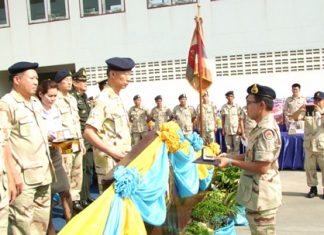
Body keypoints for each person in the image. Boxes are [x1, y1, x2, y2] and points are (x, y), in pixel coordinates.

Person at [217, 84, 282, 235]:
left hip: (263, 198)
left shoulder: (267, 131)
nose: (246, 108)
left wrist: (231, 162)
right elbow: (251, 156)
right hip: (256, 196)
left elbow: (262, 167)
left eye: (249, 103)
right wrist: (229, 156)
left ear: (261, 105)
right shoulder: (259, 127)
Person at [0, 61, 53, 234]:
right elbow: (3, 142)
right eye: (31, 78)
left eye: (37, 78)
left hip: (43, 174)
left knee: (41, 224)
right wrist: (12, 175)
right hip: (23, 179)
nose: (36, 82)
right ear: (17, 80)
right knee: (21, 227)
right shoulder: (7, 104)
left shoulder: (36, 103)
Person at [83, 57, 135, 194]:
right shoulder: (103, 98)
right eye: (126, 74)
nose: (129, 77)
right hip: (110, 165)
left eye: (130, 73)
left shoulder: (116, 97)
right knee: (111, 208)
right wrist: (113, 153)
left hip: (120, 162)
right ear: (112, 74)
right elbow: (88, 132)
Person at [37, 79, 71, 234]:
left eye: (55, 96)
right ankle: (50, 230)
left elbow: (61, 132)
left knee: (65, 188)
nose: (52, 99)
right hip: (41, 155)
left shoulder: (55, 109)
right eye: (49, 96)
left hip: (56, 152)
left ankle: (71, 222)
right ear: (41, 94)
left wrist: (65, 152)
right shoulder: (35, 110)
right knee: (48, 195)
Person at [53, 68, 86, 213]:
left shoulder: (72, 99)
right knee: (66, 173)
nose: (69, 82)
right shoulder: (55, 99)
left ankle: (75, 199)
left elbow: (77, 122)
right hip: (65, 142)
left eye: (70, 80)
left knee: (77, 171)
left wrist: (82, 142)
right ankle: (66, 203)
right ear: (58, 83)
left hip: (76, 140)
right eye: (65, 80)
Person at [292, 91, 324, 198]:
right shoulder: (309, 112)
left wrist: (322, 113)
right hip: (309, 145)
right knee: (310, 168)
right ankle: (313, 188)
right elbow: (295, 118)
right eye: (315, 100)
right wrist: (299, 110)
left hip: (322, 145)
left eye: (319, 100)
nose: (317, 102)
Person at [71, 68, 95, 208]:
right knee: (81, 170)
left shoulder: (84, 97)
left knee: (89, 168)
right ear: (75, 83)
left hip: (88, 138)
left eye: (86, 81)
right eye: (82, 81)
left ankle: (86, 196)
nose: (85, 84)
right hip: (80, 138)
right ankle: (79, 199)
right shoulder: (73, 98)